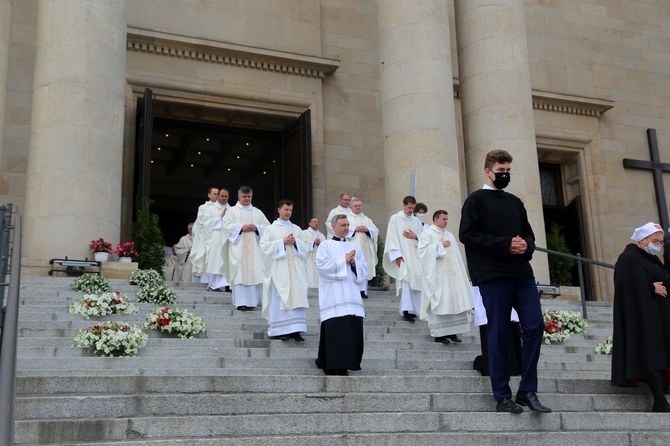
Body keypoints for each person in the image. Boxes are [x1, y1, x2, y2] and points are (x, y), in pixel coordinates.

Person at [459, 149, 550, 414]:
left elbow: (529, 236)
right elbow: (467, 234)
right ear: (488, 171)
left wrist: (526, 245)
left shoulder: (515, 202)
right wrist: (505, 245)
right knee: (498, 333)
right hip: (493, 276)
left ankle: (527, 390)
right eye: (501, 172)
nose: (505, 175)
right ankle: (502, 395)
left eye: (508, 171)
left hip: (522, 275)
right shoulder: (475, 201)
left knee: (535, 326)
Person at [611, 221, 670, 412]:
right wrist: (650, 286)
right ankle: (659, 400)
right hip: (643, 318)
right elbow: (626, 285)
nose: (658, 245)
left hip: (659, 316)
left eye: (661, 242)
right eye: (655, 241)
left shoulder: (651, 259)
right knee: (650, 353)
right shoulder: (628, 258)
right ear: (643, 240)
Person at [315, 214, 368, 375]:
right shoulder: (325, 245)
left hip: (351, 295)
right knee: (336, 330)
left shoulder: (355, 247)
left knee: (350, 330)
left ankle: (346, 364)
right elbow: (322, 267)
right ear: (334, 227)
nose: (346, 228)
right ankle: (331, 364)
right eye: (343, 225)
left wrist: (353, 263)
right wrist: (343, 260)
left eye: (347, 225)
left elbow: (364, 270)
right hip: (334, 295)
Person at [417, 210, 474, 344]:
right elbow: (422, 252)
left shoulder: (450, 235)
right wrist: (439, 246)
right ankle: (440, 334)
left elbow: (456, 256)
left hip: (452, 276)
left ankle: (453, 333)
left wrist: (461, 275)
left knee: (455, 302)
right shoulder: (427, 234)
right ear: (436, 219)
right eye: (443, 219)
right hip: (438, 276)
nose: (446, 221)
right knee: (442, 301)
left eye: (447, 219)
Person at [260, 199, 310, 341]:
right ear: (279, 210)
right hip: (279, 270)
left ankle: (296, 330)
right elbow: (263, 247)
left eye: (290, 210)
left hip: (295, 270)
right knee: (280, 297)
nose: (288, 212)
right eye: (286, 209)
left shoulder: (297, 229)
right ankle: (279, 330)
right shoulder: (270, 229)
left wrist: (296, 243)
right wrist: (281, 242)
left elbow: (306, 247)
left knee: (297, 296)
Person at [221, 185, 270, 311]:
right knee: (240, 273)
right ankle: (241, 302)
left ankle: (253, 302)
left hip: (255, 249)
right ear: (239, 197)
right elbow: (225, 226)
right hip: (239, 249)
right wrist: (240, 227)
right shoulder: (231, 211)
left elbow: (268, 228)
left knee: (254, 272)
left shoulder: (257, 212)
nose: (247, 199)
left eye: (249, 196)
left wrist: (257, 228)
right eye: (244, 196)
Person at [382, 195, 424, 323]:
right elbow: (392, 238)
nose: (411, 210)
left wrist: (415, 236)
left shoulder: (416, 221)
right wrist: (398, 258)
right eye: (409, 207)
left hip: (416, 257)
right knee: (406, 280)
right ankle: (406, 310)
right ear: (403, 205)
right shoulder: (395, 219)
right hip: (404, 257)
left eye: (413, 208)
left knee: (418, 280)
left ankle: (417, 310)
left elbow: (424, 238)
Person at [346, 198, 379, 299]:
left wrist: (368, 229)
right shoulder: (347, 218)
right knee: (355, 267)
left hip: (365, 249)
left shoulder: (367, 219)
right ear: (351, 207)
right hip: (353, 247)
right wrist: (354, 229)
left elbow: (376, 230)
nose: (358, 207)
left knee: (364, 267)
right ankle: (355, 290)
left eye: (360, 205)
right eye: (356, 206)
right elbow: (343, 229)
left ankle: (363, 290)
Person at [189, 187, 219, 283]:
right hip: (205, 238)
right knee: (205, 260)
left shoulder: (224, 207)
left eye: (218, 194)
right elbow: (201, 223)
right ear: (209, 195)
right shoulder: (203, 207)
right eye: (214, 194)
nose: (217, 196)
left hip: (218, 239)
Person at [205, 188, 232, 292]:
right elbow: (206, 223)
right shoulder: (210, 209)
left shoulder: (232, 209)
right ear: (218, 196)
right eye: (222, 196)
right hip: (215, 238)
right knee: (215, 261)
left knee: (226, 261)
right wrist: (220, 218)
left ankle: (227, 284)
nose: (224, 198)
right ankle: (214, 284)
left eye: (226, 196)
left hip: (227, 239)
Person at [302, 217, 325, 288]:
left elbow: (325, 248)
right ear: (310, 223)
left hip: (318, 260)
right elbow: (302, 245)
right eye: (314, 221)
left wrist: (320, 243)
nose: (316, 223)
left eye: (317, 222)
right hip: (309, 260)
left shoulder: (321, 235)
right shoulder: (304, 233)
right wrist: (312, 243)